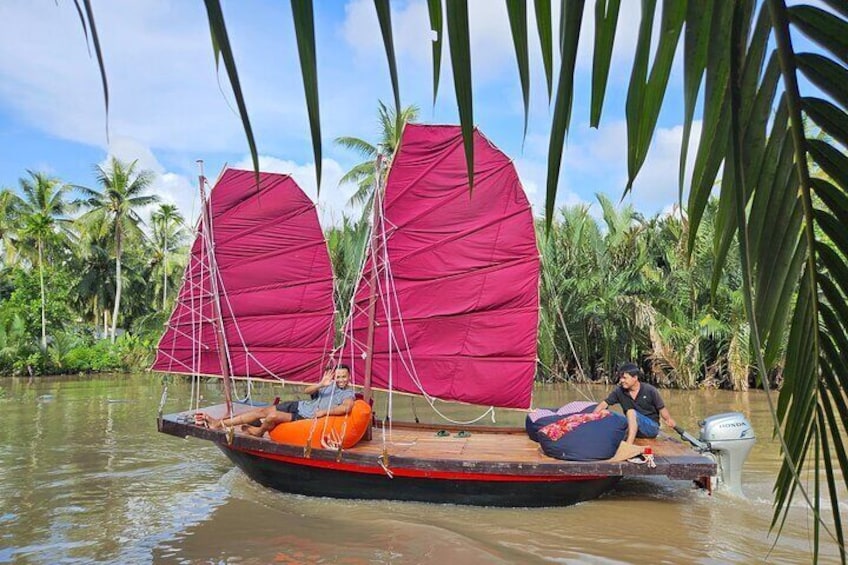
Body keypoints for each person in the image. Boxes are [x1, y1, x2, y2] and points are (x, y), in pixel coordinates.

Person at [202, 364, 356, 437]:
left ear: (349, 377)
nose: (341, 379)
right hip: (298, 406)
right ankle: (218, 423)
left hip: (304, 417)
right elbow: (307, 391)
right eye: (339, 376)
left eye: (344, 376)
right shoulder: (328, 385)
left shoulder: (348, 393)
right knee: (260, 411)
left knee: (272, 417)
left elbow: (346, 408)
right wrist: (321, 384)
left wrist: (324, 412)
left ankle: (259, 431)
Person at [593, 362, 676, 442]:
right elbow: (604, 404)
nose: (621, 380)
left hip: (651, 428)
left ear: (635, 378)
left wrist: (668, 419)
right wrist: (591, 417)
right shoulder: (619, 391)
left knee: (631, 412)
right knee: (604, 412)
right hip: (632, 425)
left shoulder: (650, 390)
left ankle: (628, 445)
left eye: (625, 378)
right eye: (621, 378)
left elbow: (661, 408)